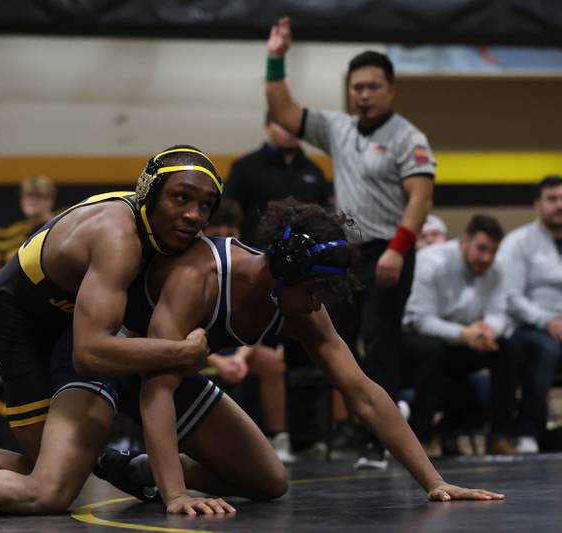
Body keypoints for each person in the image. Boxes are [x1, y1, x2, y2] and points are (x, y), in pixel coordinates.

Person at [0, 145, 231, 520]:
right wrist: (181, 353)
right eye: (181, 198)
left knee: (53, 470)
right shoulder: (119, 237)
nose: (193, 215)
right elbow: (90, 353)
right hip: (19, 323)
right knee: (51, 485)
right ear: (149, 193)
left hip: (61, 320)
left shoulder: (154, 231)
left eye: (205, 205)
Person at [123, 198, 503, 505]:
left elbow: (363, 393)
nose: (316, 302)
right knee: (72, 470)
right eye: (312, 290)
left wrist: (434, 482)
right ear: (283, 273)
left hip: (164, 378)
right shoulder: (200, 277)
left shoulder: (301, 307)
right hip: (114, 359)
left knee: (270, 481)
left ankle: (139, 470)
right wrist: (176, 496)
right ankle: (135, 466)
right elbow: (157, 387)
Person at [266, 16, 436, 469]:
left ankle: (381, 445)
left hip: (389, 251)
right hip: (346, 257)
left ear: (390, 90)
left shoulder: (409, 138)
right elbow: (283, 112)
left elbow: (420, 198)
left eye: (372, 87)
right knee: (337, 342)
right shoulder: (337, 128)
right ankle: (354, 432)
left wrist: (398, 248)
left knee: (380, 344)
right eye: (357, 87)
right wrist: (275, 59)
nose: (363, 94)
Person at [401, 215, 515, 455]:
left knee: (504, 348)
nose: (487, 258)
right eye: (482, 249)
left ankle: (499, 436)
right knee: (431, 350)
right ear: (465, 240)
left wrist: (488, 330)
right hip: (415, 341)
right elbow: (422, 319)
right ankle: (423, 437)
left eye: (493, 251)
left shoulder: (497, 266)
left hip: (464, 338)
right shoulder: (431, 261)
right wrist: (464, 334)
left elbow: (498, 313)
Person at [203, 199, 294, 463]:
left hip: (234, 349)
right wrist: (218, 362)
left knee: (271, 362)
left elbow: (257, 326)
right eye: (217, 229)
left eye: (230, 230)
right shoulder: (195, 268)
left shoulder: (252, 266)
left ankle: (278, 437)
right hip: (195, 349)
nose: (223, 235)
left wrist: (239, 358)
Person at [500, 175, 562, 454]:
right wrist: (547, 321)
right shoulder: (518, 242)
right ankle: (528, 432)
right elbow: (510, 295)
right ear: (538, 205)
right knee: (545, 349)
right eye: (552, 199)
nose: (559, 205)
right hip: (528, 328)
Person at [225, 112, 331, 248]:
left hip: (305, 254)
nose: (290, 131)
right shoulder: (245, 167)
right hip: (256, 252)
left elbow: (325, 217)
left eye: (294, 126)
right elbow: (229, 213)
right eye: (283, 125)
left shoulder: (314, 171)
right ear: (267, 126)